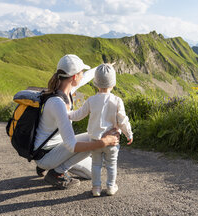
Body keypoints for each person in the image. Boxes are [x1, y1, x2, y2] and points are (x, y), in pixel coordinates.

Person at [34, 54, 120, 190]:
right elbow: (71, 145)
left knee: (92, 173)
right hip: (46, 155)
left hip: (53, 148)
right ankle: (56, 173)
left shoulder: (64, 90)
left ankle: (54, 166)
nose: (82, 75)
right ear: (74, 77)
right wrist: (103, 142)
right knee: (93, 138)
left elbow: (86, 77)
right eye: (81, 73)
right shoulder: (58, 103)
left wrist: (104, 67)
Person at [69, 63, 133, 196]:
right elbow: (122, 120)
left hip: (95, 140)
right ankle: (110, 187)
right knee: (111, 164)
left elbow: (78, 115)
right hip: (112, 140)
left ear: (95, 83)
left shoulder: (91, 100)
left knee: (96, 164)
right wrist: (128, 134)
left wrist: (66, 113)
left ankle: (96, 188)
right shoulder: (117, 100)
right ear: (113, 84)